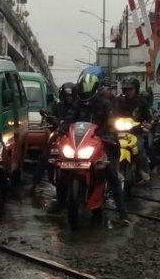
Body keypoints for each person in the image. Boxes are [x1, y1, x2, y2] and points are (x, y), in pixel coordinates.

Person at [70, 66, 129, 223]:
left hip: (104, 141)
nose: (85, 93)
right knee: (60, 164)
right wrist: (62, 128)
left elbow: (109, 123)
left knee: (111, 174)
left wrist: (102, 133)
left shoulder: (105, 105)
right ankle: (61, 202)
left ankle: (122, 212)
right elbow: (70, 119)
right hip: (81, 143)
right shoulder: (78, 104)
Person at [29, 81, 77, 193]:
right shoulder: (57, 106)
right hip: (59, 134)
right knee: (45, 155)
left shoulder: (78, 107)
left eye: (70, 95)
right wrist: (51, 118)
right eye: (66, 96)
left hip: (74, 137)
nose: (69, 98)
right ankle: (34, 183)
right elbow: (49, 111)